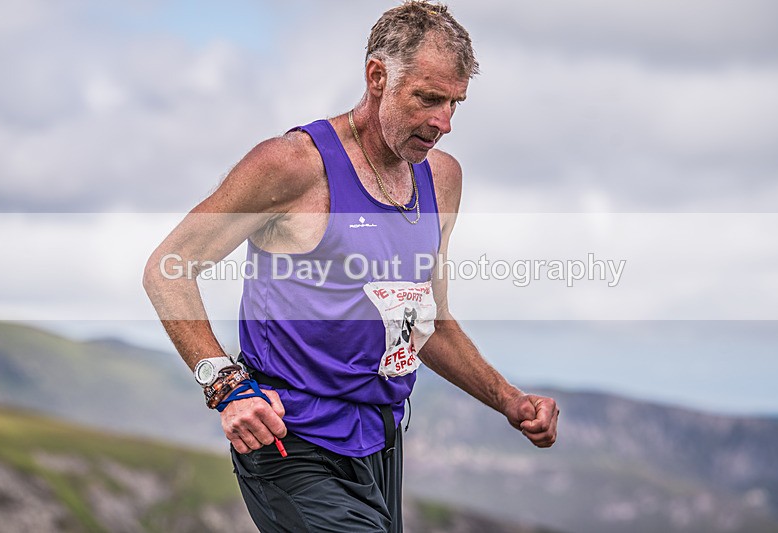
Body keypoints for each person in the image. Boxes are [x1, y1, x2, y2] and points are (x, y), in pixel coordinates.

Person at [143, 2, 559, 531]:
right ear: (377, 76)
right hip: (290, 439)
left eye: (455, 103)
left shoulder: (442, 179)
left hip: (381, 441)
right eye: (428, 99)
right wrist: (224, 382)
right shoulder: (293, 165)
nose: (443, 123)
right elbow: (168, 268)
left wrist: (508, 399)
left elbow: (426, 324)